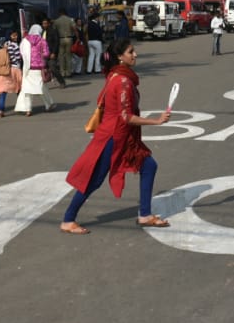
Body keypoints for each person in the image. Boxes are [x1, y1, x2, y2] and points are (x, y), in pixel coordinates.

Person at [60, 38, 173, 234]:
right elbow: (126, 117)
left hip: (120, 136)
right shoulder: (123, 81)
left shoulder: (115, 75)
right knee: (94, 179)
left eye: (134, 51)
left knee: (149, 166)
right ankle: (68, 219)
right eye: (130, 52)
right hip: (114, 137)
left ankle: (145, 214)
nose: (135, 55)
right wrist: (157, 121)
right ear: (120, 57)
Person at [15, 24, 55, 116]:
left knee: (27, 89)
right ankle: (48, 104)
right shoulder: (42, 41)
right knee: (41, 87)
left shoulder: (24, 41)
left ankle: (28, 109)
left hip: (27, 68)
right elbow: (46, 54)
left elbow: (21, 54)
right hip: (38, 68)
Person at [0, 28, 23, 118]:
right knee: (19, 89)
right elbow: (17, 58)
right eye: (13, 35)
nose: (16, 37)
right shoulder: (14, 45)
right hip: (15, 70)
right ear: (10, 36)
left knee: (3, 91)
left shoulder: (4, 45)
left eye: (16, 35)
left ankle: (1, 110)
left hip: (5, 71)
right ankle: (21, 107)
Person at [52, 8, 76, 81]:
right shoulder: (70, 20)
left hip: (60, 39)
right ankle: (68, 72)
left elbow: (54, 30)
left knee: (61, 56)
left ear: (60, 13)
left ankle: (62, 73)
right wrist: (76, 37)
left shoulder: (56, 21)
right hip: (69, 39)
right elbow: (74, 28)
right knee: (68, 56)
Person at [42, 18, 67, 87]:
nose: (44, 25)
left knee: (53, 68)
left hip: (51, 53)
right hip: (44, 53)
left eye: (45, 23)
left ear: (49, 24)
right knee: (42, 69)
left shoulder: (53, 31)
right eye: (43, 23)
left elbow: (56, 42)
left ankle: (62, 82)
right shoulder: (43, 32)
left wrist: (54, 53)